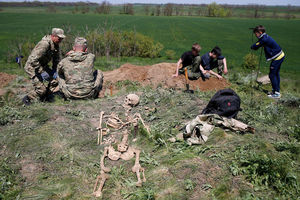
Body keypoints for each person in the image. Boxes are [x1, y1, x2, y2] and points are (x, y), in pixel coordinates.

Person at [23, 28, 65, 105]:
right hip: (32, 68)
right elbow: (33, 60)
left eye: (62, 39)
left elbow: (56, 60)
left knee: (55, 81)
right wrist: (42, 72)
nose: (60, 40)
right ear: (53, 36)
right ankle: (28, 98)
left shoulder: (56, 45)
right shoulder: (44, 44)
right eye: (59, 38)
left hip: (43, 66)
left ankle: (46, 97)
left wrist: (55, 70)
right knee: (41, 90)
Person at [251, 25, 285, 99]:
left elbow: (256, 46)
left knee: (272, 75)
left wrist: (252, 46)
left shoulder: (264, 39)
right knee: (276, 74)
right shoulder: (264, 37)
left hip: (277, 58)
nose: (255, 35)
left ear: (260, 32)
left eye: (256, 33)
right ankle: (276, 91)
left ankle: (276, 94)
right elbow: (259, 43)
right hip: (280, 55)